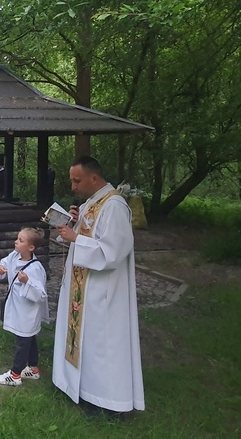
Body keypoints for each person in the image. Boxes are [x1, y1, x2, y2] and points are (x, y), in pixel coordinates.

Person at [54, 156, 144, 415]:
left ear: (94, 178)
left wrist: (76, 239)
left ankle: (105, 400)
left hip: (102, 290)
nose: (73, 186)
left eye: (77, 180)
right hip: (84, 287)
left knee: (102, 343)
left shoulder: (115, 206)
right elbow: (84, 235)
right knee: (86, 340)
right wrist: (73, 224)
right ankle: (81, 388)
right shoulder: (91, 203)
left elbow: (114, 251)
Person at [0, 228, 49, 386]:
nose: (16, 242)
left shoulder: (35, 268)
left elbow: (40, 294)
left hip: (28, 310)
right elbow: (3, 262)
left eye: (21, 240)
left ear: (31, 248)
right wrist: (1, 268)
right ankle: (33, 368)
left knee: (23, 341)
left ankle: (15, 374)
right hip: (17, 306)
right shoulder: (14, 256)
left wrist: (27, 282)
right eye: (17, 239)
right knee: (28, 337)